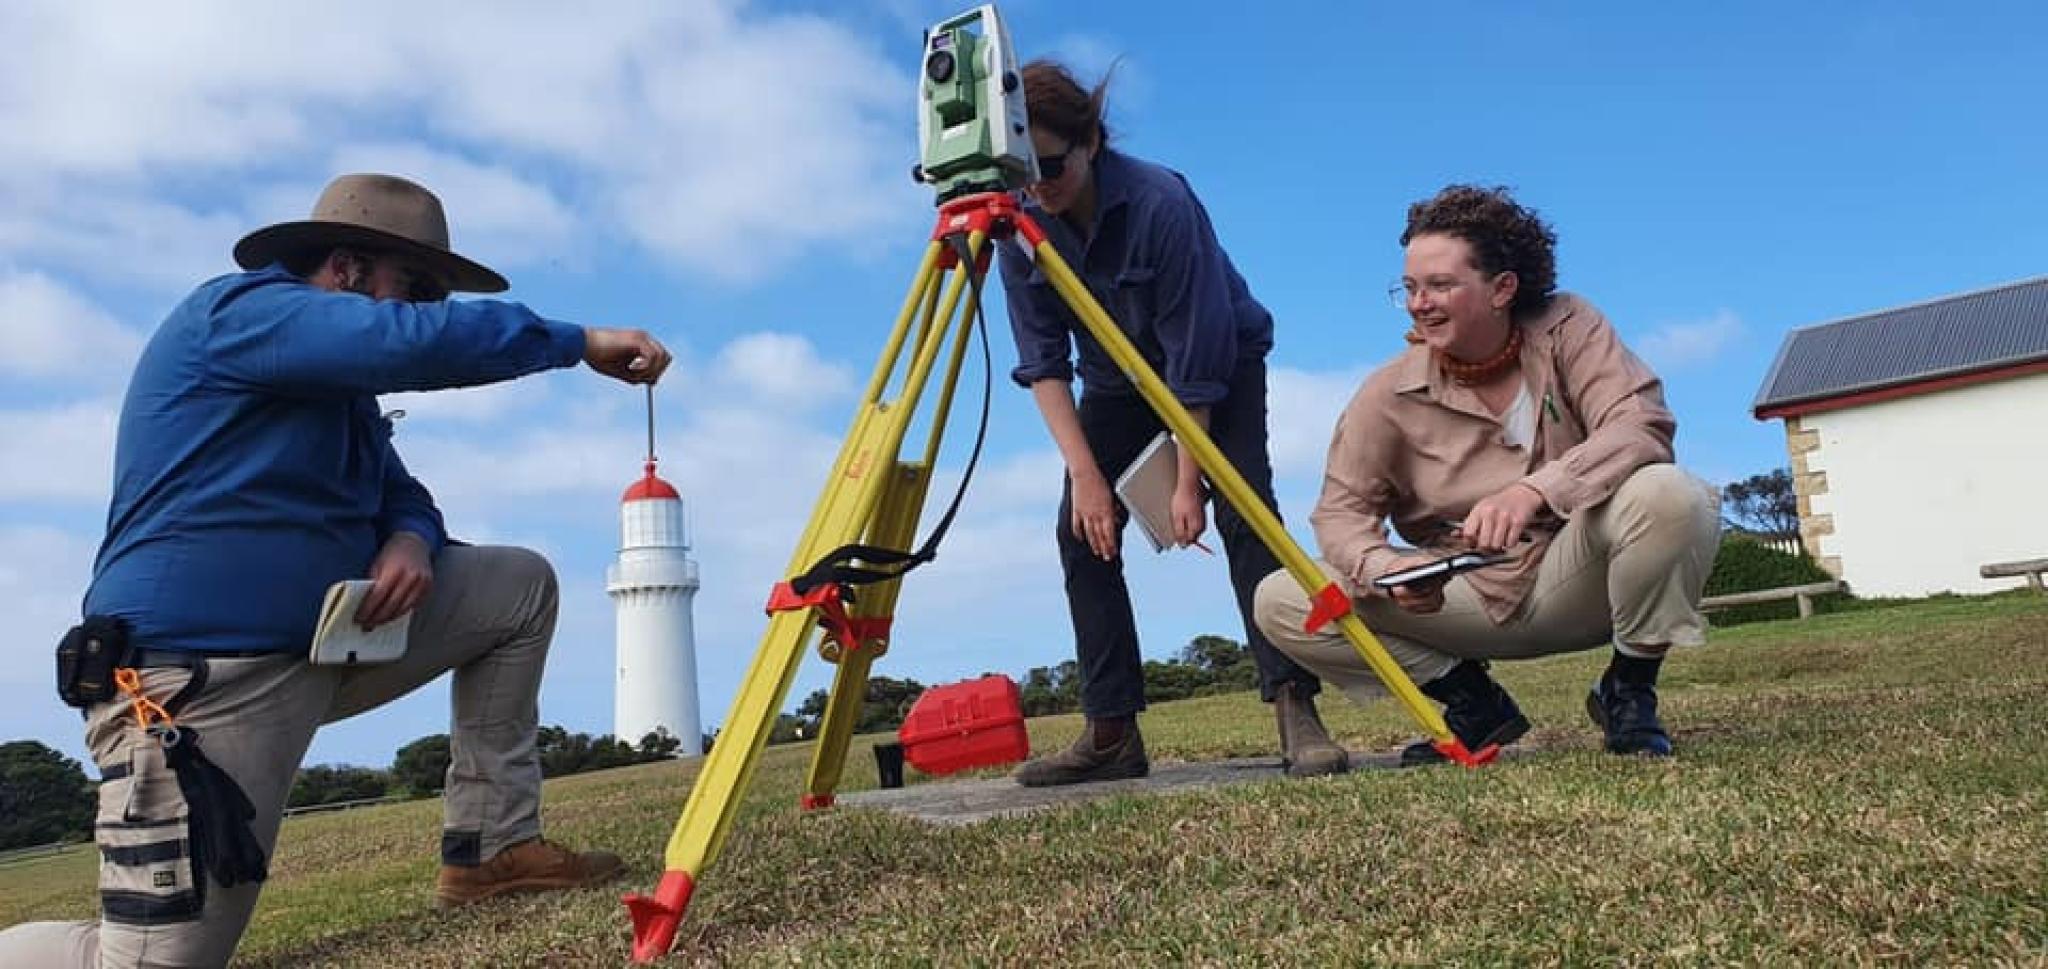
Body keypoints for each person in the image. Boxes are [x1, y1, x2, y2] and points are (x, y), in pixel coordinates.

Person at [0, 173, 672, 968]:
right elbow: (412, 343)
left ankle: (490, 847)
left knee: (519, 586)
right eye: (418, 289)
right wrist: (577, 342)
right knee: (151, 963)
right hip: (196, 685)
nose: (428, 311)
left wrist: (412, 541)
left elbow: (404, 493)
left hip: (326, 648)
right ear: (347, 270)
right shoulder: (238, 314)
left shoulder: (340, 396)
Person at [1252, 185, 1719, 765]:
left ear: (1503, 288)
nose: (1420, 303)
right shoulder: (1384, 393)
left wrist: (1534, 491)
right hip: (1460, 597)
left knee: (1671, 494)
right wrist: (1390, 568)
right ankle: (1472, 702)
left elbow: (1639, 424)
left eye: (1441, 285)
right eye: (1410, 288)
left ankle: (1628, 691)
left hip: (1577, 573)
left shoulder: (1569, 326)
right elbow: (1340, 515)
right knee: (1281, 597)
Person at [997, 61, 1348, 787]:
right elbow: (1042, 359)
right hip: (1114, 378)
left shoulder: (1160, 200)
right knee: (1078, 528)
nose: (1037, 185)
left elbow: (1198, 354)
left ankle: (1294, 703)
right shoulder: (1016, 217)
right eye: (1023, 169)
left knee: (1244, 509)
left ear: (1092, 141)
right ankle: (1111, 729)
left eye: (1053, 165)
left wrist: (1190, 480)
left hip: (1217, 360)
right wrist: (1086, 480)